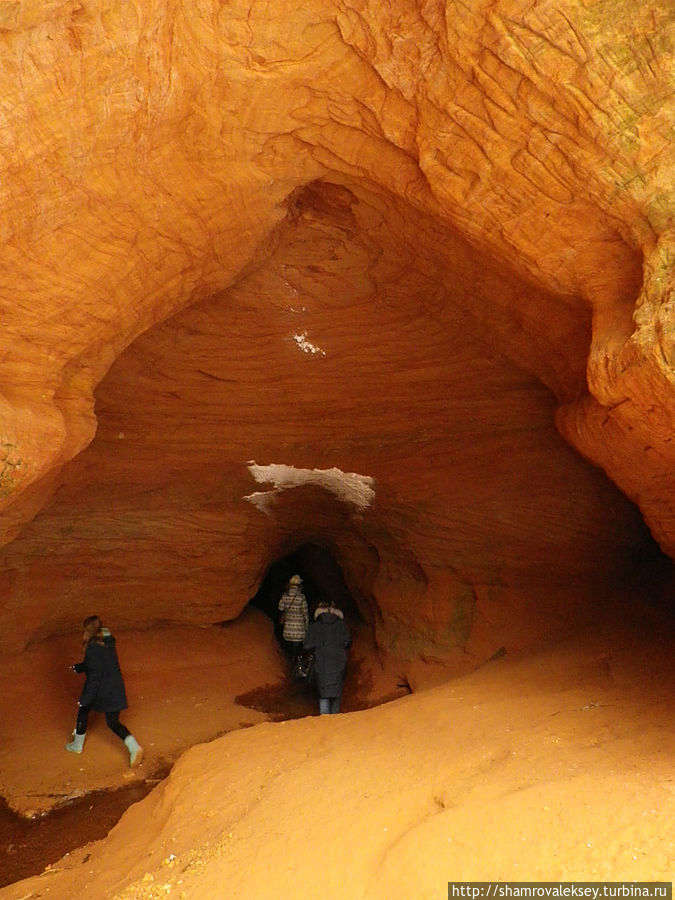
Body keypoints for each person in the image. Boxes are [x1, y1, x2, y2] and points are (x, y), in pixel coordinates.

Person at [65, 615, 143, 767]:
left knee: (83, 709)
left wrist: (85, 698)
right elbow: (100, 664)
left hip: (102, 691)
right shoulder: (107, 642)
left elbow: (95, 676)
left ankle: (77, 746)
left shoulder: (93, 648)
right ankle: (134, 747)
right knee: (113, 722)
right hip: (115, 688)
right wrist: (80, 667)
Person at [303, 599, 351, 714]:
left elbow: (306, 645)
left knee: (323, 692)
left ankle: (325, 721)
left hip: (321, 662)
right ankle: (335, 719)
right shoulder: (341, 625)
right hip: (339, 661)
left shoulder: (315, 627)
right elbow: (348, 642)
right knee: (336, 691)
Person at [277, 574, 309, 662]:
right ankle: (296, 662)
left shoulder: (285, 595)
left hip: (288, 626)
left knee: (289, 646)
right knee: (297, 647)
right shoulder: (302, 597)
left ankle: (289, 662)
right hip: (299, 627)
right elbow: (305, 612)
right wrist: (306, 626)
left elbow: (280, 608)